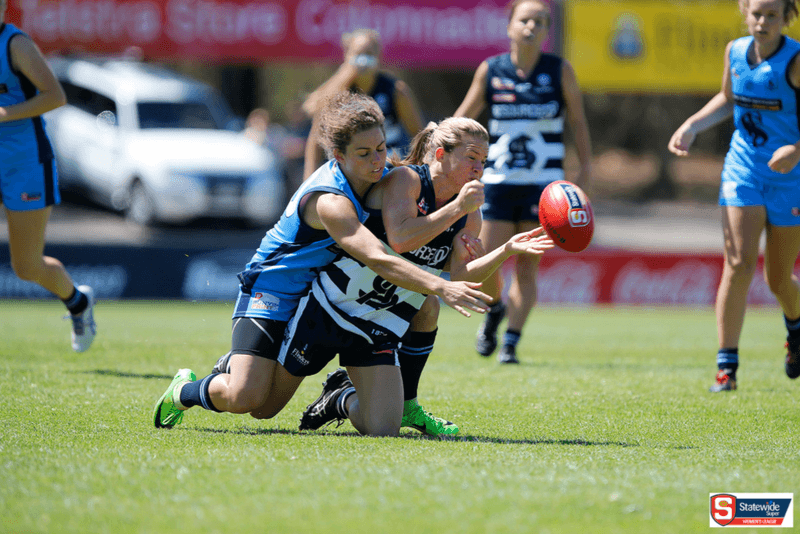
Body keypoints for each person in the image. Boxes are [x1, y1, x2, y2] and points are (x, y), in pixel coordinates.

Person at [152, 92, 492, 429]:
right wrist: (440, 286)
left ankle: (335, 393)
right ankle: (185, 390)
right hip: (274, 288)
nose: (376, 160)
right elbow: (377, 256)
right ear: (338, 156)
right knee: (250, 401)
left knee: (376, 416)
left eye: (381, 148)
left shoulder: (382, 177)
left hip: (316, 290)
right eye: (363, 153)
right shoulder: (331, 200)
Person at [284, 117, 553, 436]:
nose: (479, 167)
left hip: (380, 313)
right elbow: (401, 238)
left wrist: (506, 250)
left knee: (426, 311)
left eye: (484, 160)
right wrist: (455, 210)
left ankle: (349, 399)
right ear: (440, 155)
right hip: (333, 302)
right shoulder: (407, 181)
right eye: (471, 157)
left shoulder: (470, 211)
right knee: (260, 403)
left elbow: (459, 276)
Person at [668, 0, 800, 391]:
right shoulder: (735, 51)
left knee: (778, 279)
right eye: (756, 13)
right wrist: (693, 125)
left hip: (789, 178)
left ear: (786, 17)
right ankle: (727, 367)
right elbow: (728, 98)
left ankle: (795, 331)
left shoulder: (794, 60)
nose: (763, 22)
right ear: (745, 12)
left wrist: (796, 149)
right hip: (742, 170)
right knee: (739, 263)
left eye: (772, 15)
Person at [454, 0, 593, 364]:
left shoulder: (559, 70)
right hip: (498, 182)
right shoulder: (491, 70)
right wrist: (445, 152)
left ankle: (511, 342)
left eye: (540, 22)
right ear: (510, 26)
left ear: (548, 30)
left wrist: (585, 169)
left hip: (545, 189)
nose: (532, 27)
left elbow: (578, 123)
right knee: (484, 259)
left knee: (528, 267)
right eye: (525, 20)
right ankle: (496, 308)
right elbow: (463, 118)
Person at [0, 5, 96, 352]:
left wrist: (4, 113)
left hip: (24, 161)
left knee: (26, 266)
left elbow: (55, 96)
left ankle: (77, 303)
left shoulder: (16, 45)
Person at [302, 28, 425, 179]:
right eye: (358, 53)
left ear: (378, 57)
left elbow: (420, 135)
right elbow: (315, 140)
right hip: (348, 173)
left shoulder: (396, 90)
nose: (363, 59)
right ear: (347, 55)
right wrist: (308, 181)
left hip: (387, 171)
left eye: (369, 53)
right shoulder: (336, 91)